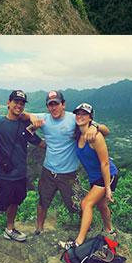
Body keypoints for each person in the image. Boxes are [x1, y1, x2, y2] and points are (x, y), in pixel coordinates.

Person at [31, 91, 109, 236]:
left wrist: (95, 126)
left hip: (69, 174)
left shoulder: (75, 118)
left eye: (57, 104)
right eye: (50, 105)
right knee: (43, 201)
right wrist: (31, 117)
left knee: (79, 205)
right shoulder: (44, 119)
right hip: (48, 171)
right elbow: (23, 115)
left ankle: (87, 230)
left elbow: (106, 130)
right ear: (47, 107)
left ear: (63, 104)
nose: (54, 108)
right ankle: (39, 229)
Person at [0, 90, 43, 248]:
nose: (19, 105)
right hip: (2, 175)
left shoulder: (25, 125)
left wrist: (63, 142)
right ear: (8, 103)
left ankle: (9, 229)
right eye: (16, 102)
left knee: (15, 202)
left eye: (22, 103)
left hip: (20, 174)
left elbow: (39, 143)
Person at [70, 103, 118, 246]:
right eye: (78, 113)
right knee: (101, 206)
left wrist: (108, 188)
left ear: (90, 117)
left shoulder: (96, 136)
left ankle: (79, 242)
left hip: (107, 176)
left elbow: (105, 163)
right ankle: (109, 230)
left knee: (86, 203)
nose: (80, 116)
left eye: (84, 114)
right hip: (95, 178)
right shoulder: (78, 135)